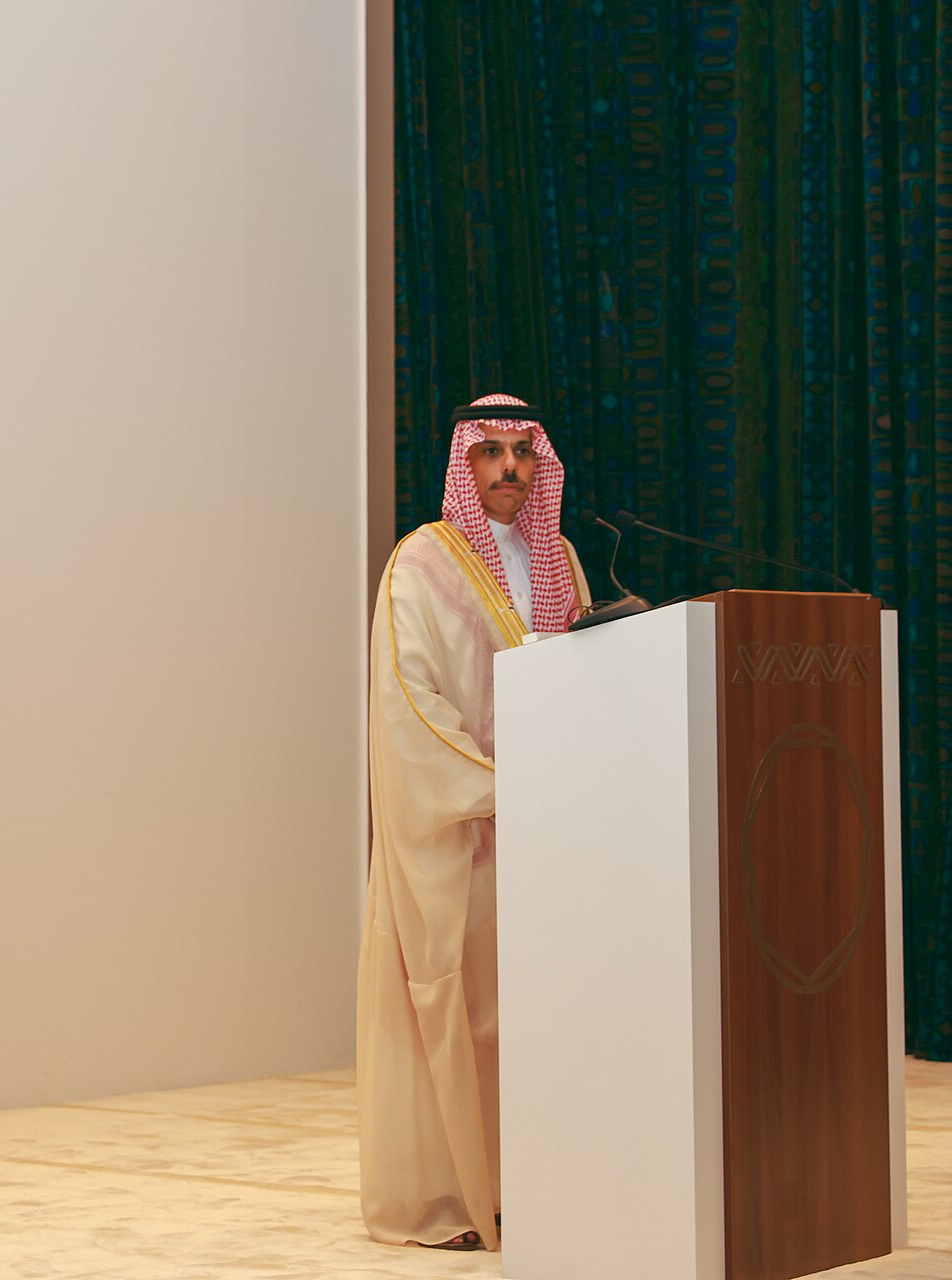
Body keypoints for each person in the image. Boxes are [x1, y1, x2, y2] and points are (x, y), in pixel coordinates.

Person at [357, 393, 590, 1252]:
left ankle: (538, 1183)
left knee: (538, 1016)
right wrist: (497, 785)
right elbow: (408, 700)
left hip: (549, 835)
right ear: (466, 463)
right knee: (461, 1011)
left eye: (522, 453)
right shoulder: (420, 562)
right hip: (464, 832)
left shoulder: (559, 556)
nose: (509, 470)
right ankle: (447, 1201)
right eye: (489, 453)